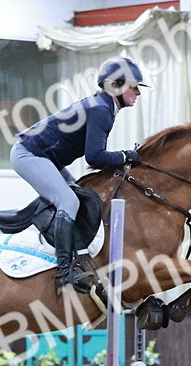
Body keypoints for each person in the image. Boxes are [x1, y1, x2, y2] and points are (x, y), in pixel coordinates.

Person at [12, 56, 147, 294]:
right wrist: (126, 155)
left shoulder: (104, 105)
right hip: (29, 155)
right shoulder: (102, 109)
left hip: (43, 157)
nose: (138, 93)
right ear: (116, 86)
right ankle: (65, 272)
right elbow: (94, 157)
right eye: (134, 86)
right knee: (69, 200)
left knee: (83, 196)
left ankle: (79, 254)